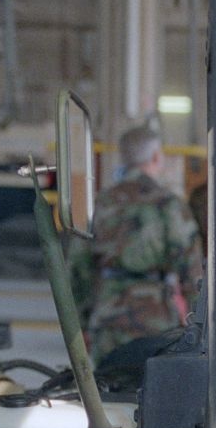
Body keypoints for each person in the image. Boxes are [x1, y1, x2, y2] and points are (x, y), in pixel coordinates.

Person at [67, 124, 204, 366]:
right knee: (153, 393)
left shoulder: (101, 203)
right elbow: (191, 268)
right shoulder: (168, 205)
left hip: (108, 318)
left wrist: (83, 322)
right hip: (156, 320)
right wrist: (197, 325)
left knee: (106, 393)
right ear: (155, 157)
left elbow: (77, 268)